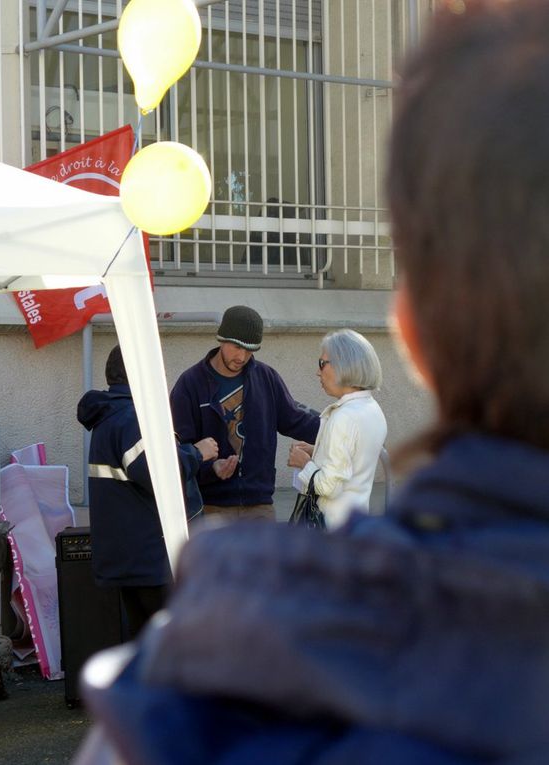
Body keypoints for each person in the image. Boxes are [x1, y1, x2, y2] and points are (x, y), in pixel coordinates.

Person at [75, 1, 549, 762]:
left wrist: (311, 439)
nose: (238, 358)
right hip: (221, 515)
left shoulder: (197, 691)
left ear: (414, 333)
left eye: (245, 350)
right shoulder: (189, 386)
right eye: (231, 349)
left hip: (260, 513)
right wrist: (204, 458)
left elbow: (302, 423)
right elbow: (169, 447)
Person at [76, 344, 218, 639]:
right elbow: (158, 474)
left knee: (144, 641)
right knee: (169, 644)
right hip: (149, 560)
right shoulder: (133, 419)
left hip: (127, 557)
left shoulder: (109, 416)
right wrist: (196, 453)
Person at [169, 305, 320, 521]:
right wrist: (211, 468)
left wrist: (338, 427)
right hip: (211, 506)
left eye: (250, 350)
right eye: (237, 347)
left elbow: (295, 420)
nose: (242, 356)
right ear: (221, 339)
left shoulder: (266, 377)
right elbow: (178, 448)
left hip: (260, 505)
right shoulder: (190, 384)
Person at [288, 329, 387, 528]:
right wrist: (319, 449)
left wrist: (305, 462)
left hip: (329, 530)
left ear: (344, 364)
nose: (318, 371)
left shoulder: (344, 416)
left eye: (322, 363)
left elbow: (329, 486)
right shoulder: (372, 408)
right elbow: (352, 461)